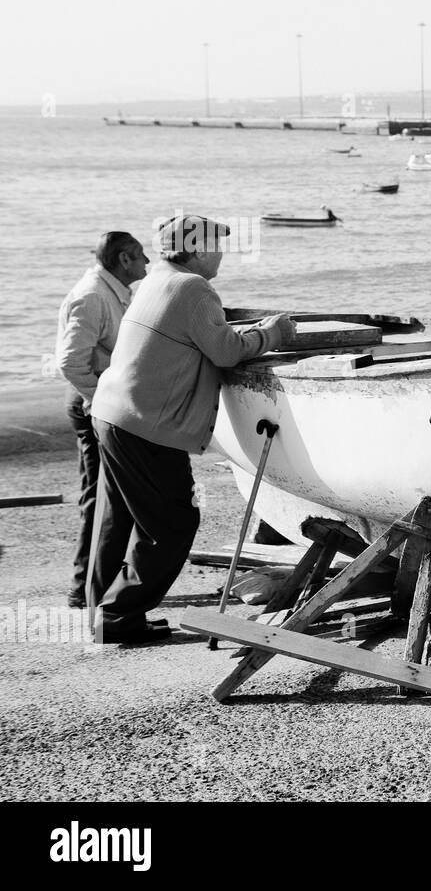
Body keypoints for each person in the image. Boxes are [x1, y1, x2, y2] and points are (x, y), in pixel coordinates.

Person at [88, 215, 295, 643]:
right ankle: (117, 615)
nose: (222, 255)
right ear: (198, 250)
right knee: (173, 522)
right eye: (218, 246)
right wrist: (271, 333)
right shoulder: (193, 287)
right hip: (145, 424)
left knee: (121, 518)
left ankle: (104, 611)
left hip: (113, 413)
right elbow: (224, 351)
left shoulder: (157, 279)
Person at [54, 232, 149, 608]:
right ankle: (84, 589)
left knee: (108, 496)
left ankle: (96, 583)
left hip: (99, 401)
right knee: (99, 497)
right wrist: (100, 401)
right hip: (90, 403)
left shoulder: (111, 291)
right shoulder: (93, 295)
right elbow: (69, 361)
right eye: (142, 257)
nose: (147, 264)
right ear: (124, 259)